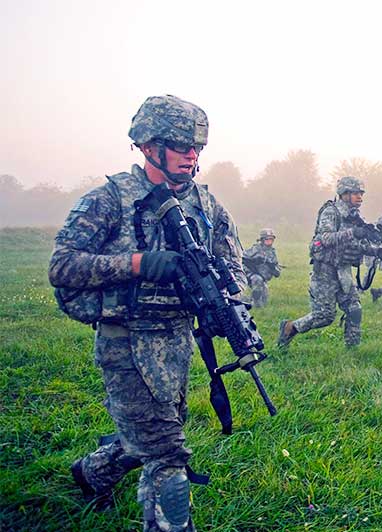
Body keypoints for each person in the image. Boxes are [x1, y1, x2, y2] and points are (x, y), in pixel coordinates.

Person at [49, 95, 245, 530]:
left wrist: (226, 295)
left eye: (196, 147)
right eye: (179, 145)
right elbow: (62, 266)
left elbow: (233, 263)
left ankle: (92, 471)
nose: (190, 155)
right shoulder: (111, 199)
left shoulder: (207, 207)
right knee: (166, 455)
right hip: (126, 341)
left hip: (177, 342)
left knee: (155, 430)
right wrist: (136, 264)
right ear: (149, 146)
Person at [277, 176, 382, 348]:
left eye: (361, 193)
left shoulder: (355, 217)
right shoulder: (331, 212)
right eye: (355, 193)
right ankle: (290, 327)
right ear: (344, 194)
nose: (360, 197)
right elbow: (325, 238)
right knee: (324, 316)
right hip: (325, 271)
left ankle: (352, 351)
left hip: (343, 270)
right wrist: (354, 232)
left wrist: (377, 251)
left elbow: (358, 245)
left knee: (354, 309)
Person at [242, 228, 281, 307]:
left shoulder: (272, 252)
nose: (269, 241)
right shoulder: (255, 249)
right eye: (267, 239)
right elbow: (243, 259)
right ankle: (254, 303)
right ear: (262, 240)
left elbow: (277, 273)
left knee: (264, 301)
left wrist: (273, 267)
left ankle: (245, 300)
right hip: (253, 276)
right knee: (257, 281)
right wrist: (253, 265)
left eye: (271, 239)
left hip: (264, 279)